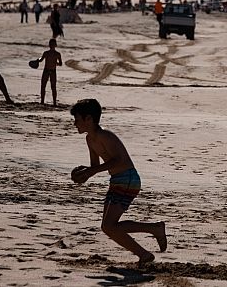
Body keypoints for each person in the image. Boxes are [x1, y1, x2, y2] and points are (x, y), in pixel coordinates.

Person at [69, 99, 167, 266]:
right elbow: (95, 166)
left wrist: (91, 171)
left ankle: (152, 235)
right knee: (108, 227)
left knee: (109, 226)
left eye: (77, 119)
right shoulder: (90, 139)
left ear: (89, 119)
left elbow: (119, 160)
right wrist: (84, 173)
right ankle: (148, 245)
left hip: (128, 179)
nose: (74, 123)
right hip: (117, 180)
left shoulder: (105, 136)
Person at [35, 38, 62, 105]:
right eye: (51, 44)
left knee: (52, 87)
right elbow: (41, 59)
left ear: (55, 45)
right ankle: (43, 101)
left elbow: (60, 63)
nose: (51, 45)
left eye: (52, 44)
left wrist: (56, 63)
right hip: (47, 70)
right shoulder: (53, 53)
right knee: (44, 86)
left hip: (51, 71)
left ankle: (54, 102)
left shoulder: (55, 54)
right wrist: (37, 60)